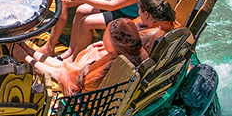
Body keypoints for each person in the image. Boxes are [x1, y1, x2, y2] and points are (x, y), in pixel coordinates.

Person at [15, 18, 143, 95]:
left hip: (82, 96)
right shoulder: (132, 51)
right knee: (65, 67)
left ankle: (24, 57)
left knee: (60, 72)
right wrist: (88, 66)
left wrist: (85, 69)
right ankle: (29, 51)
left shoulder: (113, 64)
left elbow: (86, 83)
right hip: (88, 83)